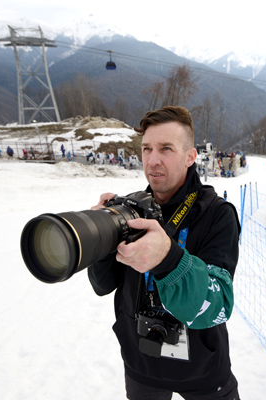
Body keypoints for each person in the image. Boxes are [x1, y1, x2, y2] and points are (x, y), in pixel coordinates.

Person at [88, 106, 241, 400]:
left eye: (166, 149)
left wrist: (169, 260)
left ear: (190, 156)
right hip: (141, 364)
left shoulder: (217, 214)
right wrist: (101, 239)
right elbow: (102, 285)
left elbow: (219, 303)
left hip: (202, 369)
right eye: (147, 148)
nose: (153, 160)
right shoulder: (130, 211)